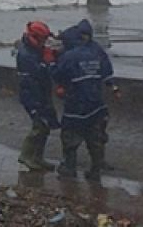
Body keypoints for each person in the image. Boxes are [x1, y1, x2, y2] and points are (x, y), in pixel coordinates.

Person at [53, 22, 119, 180]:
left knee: (70, 137)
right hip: (96, 103)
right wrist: (114, 86)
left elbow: (58, 74)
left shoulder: (69, 56)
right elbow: (106, 70)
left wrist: (51, 61)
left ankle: (69, 168)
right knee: (95, 136)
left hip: (76, 104)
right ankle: (96, 169)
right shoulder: (95, 51)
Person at [15, 20, 59, 171]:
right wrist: (48, 62)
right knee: (38, 126)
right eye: (43, 39)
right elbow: (38, 73)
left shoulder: (33, 49)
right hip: (32, 94)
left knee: (45, 126)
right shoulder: (26, 55)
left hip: (41, 92)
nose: (45, 42)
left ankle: (37, 157)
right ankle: (26, 156)